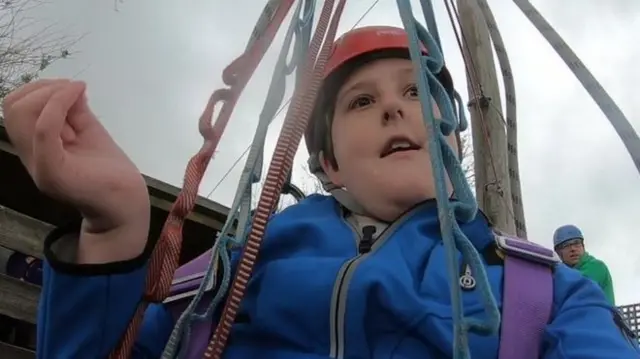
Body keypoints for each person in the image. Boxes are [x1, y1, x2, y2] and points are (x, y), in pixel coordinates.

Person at [3, 26, 639, 359]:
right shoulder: (233, 272)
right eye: (363, 101)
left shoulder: (550, 293)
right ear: (329, 163)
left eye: (418, 92)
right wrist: (112, 232)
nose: (395, 109)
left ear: (457, 141)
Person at [553, 224, 616, 305]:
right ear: (558, 252)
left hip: (599, 316)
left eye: (577, 243)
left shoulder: (597, 266)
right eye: (566, 245)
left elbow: (576, 287)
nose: (573, 249)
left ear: (583, 246)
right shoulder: (560, 273)